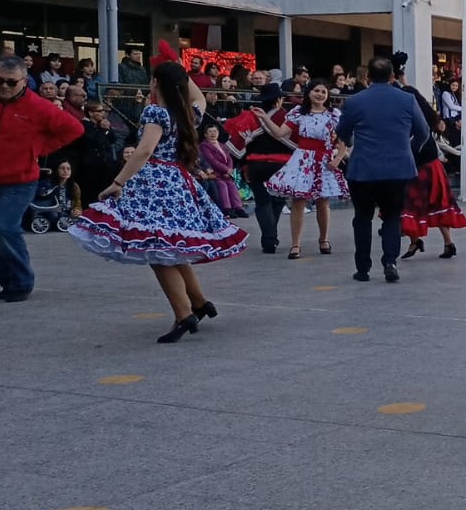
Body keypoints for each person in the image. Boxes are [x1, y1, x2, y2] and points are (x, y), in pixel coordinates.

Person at [70, 53, 248, 341]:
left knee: (158, 250)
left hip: (154, 184)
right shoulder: (188, 113)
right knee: (171, 247)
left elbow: (144, 150)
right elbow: (199, 97)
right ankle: (198, 302)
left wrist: (118, 181)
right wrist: (180, 73)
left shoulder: (156, 113)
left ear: (155, 83)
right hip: (178, 181)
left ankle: (184, 314)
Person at [0, 56, 85, 301]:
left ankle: (21, 281)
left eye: (11, 82)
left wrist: (39, 148)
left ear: (25, 82)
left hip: (18, 181)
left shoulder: (38, 107)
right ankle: (6, 280)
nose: (4, 86)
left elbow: (75, 129)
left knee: (4, 229)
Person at [335, 55, 429, 283]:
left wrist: (350, 141)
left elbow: (342, 131)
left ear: (367, 76)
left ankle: (362, 268)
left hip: (363, 169)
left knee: (362, 218)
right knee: (392, 217)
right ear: (392, 76)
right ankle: (390, 262)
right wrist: (408, 149)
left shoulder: (355, 101)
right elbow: (423, 132)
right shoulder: (407, 99)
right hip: (397, 168)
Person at [392, 55, 466, 260]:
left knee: (411, 202)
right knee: (435, 202)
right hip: (429, 162)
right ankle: (444, 243)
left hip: (417, 163)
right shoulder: (417, 104)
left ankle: (418, 241)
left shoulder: (407, 109)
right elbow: (407, 88)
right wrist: (400, 73)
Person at [262, 79, 349, 257]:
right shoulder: (298, 113)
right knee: (298, 201)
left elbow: (343, 140)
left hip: (323, 160)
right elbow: (279, 133)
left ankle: (324, 239)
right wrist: (264, 118)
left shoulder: (333, 115)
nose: (320, 94)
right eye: (316, 90)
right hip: (302, 160)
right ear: (309, 92)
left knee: (322, 201)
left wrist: (338, 159)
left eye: (323, 92)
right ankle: (296, 244)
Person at [225, 83, 295, 253]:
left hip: (256, 165)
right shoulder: (286, 117)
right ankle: (270, 237)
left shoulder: (250, 117)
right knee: (277, 200)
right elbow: (296, 143)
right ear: (279, 100)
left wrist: (243, 165)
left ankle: (269, 238)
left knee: (262, 202)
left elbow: (238, 143)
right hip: (281, 166)